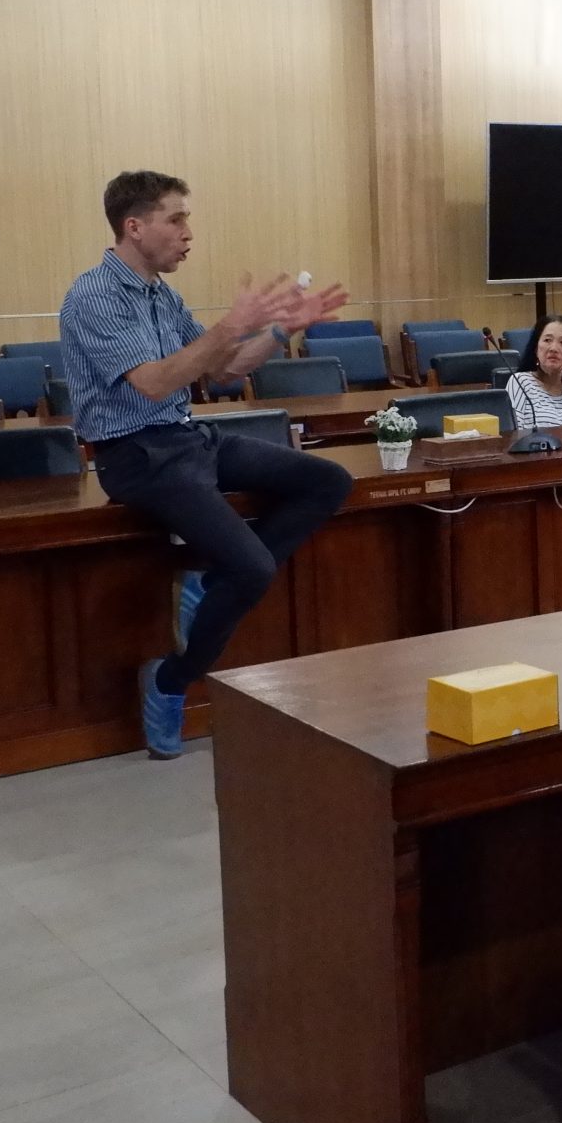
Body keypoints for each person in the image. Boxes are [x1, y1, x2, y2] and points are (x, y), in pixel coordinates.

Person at [59, 170, 353, 760]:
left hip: (187, 439)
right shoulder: (93, 296)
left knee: (327, 480)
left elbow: (223, 369)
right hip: (135, 455)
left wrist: (280, 331)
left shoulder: (161, 295)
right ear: (134, 226)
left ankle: (210, 584)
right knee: (252, 568)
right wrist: (230, 325)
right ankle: (171, 680)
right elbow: (153, 382)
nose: (188, 233)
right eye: (176, 219)